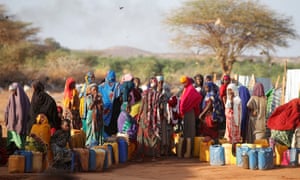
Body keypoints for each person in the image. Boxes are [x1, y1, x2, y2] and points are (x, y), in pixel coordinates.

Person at [135, 77, 160, 162]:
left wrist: (139, 116)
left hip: (144, 117)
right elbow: (158, 108)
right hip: (152, 118)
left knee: (141, 136)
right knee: (152, 136)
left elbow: (142, 105)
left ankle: (140, 156)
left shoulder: (145, 93)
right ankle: (153, 156)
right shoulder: (157, 94)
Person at [179, 76, 203, 158]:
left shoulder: (191, 89)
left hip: (189, 112)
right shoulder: (186, 89)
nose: (183, 84)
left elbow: (196, 99)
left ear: (188, 81)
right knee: (186, 130)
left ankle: (189, 151)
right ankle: (186, 151)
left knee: (190, 131)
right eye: (182, 83)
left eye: (184, 82)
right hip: (186, 113)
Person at [5, 82, 30, 151]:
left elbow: (28, 112)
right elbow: (6, 111)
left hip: (21, 127)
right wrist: (7, 121)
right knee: (11, 145)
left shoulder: (24, 99)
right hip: (12, 126)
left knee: (20, 146)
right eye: (12, 91)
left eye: (14, 90)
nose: (13, 92)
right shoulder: (11, 98)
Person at [98, 70, 121, 137]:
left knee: (105, 125)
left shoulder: (101, 86)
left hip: (104, 108)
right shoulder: (117, 85)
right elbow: (118, 96)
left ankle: (106, 138)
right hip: (115, 109)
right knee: (113, 125)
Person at [156, 75, 172, 156]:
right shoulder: (154, 93)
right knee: (158, 133)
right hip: (157, 116)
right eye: (159, 82)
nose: (160, 84)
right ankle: (158, 150)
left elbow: (168, 103)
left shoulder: (165, 93)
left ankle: (165, 150)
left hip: (164, 116)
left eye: (161, 82)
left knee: (165, 133)